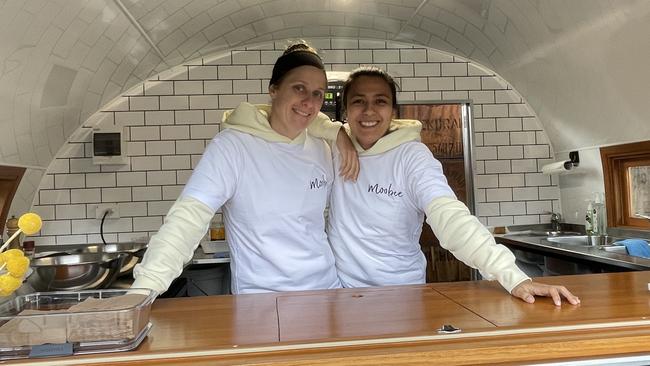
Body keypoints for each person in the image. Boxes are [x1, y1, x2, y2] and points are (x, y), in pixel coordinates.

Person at [326, 66, 580, 306]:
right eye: (358, 101)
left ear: (393, 111)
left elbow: (449, 215)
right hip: (345, 292)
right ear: (345, 110)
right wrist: (335, 133)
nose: (369, 111)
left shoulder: (412, 156)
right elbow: (291, 105)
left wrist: (512, 276)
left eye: (380, 101)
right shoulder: (330, 149)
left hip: (403, 292)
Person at [132, 42, 358, 295]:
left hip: (325, 291)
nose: (309, 101)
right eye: (299, 88)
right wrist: (144, 288)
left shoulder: (323, 147)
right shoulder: (233, 147)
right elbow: (188, 217)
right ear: (273, 89)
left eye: (318, 93)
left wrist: (336, 131)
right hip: (260, 300)